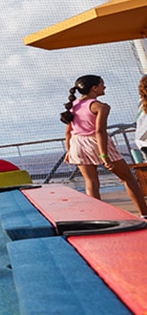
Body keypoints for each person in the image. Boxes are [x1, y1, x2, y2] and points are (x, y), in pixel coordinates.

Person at [60, 75, 147, 216]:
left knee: (91, 183)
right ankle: (145, 214)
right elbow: (100, 131)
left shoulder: (73, 105)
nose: (104, 87)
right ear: (94, 88)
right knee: (128, 178)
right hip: (96, 142)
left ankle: (98, 217)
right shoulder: (101, 106)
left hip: (77, 143)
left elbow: (68, 132)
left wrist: (69, 151)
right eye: (102, 84)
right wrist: (104, 156)